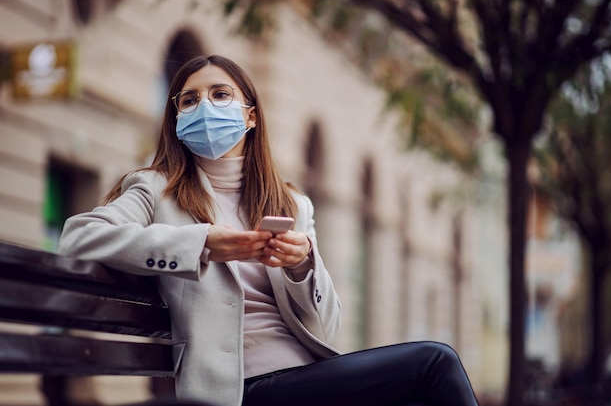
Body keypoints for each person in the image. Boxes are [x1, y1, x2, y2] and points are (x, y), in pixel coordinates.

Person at [58, 55, 479, 406]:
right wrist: (203, 244)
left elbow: (325, 326)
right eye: (189, 100)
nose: (204, 106)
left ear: (251, 116)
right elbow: (79, 237)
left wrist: (302, 265)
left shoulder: (292, 203)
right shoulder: (154, 187)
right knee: (433, 363)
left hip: (307, 374)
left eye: (220, 94)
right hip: (238, 388)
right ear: (176, 119)